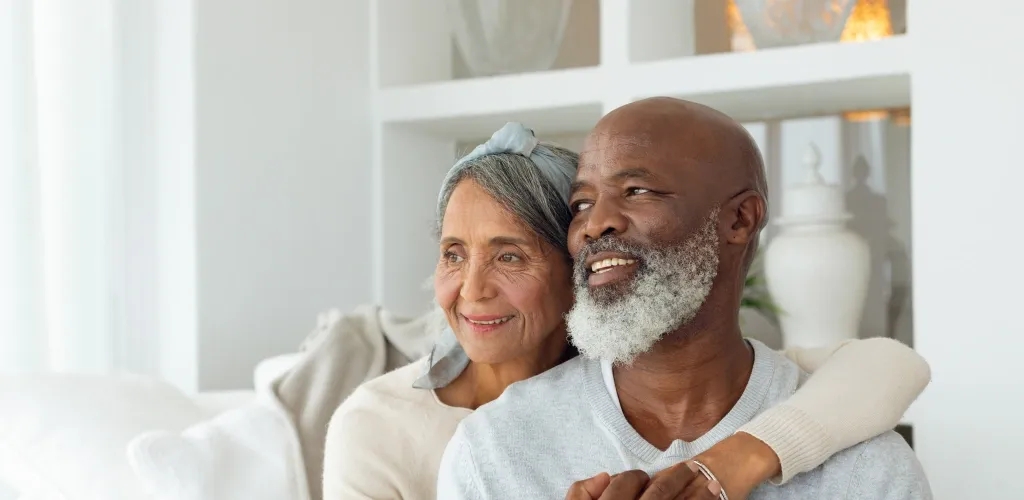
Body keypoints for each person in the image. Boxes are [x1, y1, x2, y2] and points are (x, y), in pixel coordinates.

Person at [324, 121, 930, 500]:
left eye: (510, 256)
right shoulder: (479, 445)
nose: (472, 289)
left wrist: (744, 456)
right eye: (452, 253)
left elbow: (888, 366)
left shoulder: (859, 454)